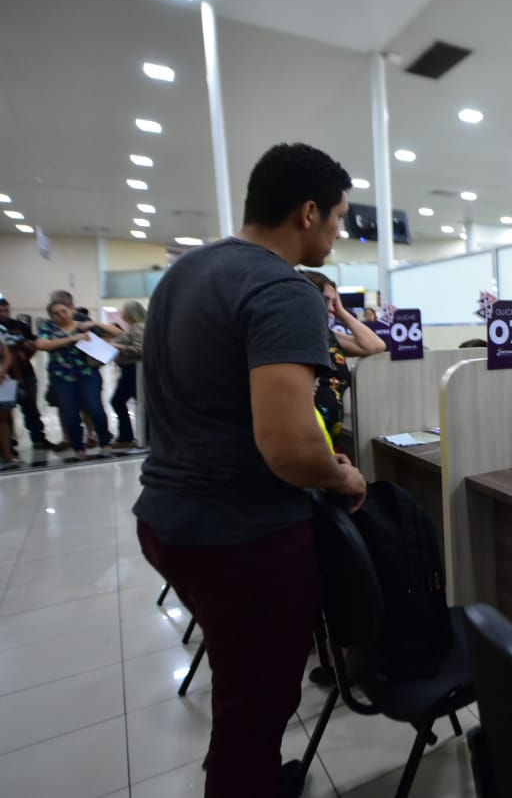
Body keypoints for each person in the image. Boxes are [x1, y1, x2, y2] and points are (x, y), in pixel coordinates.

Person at [133, 142, 367, 798]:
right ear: (309, 211)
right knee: (256, 701)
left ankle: (255, 776)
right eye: (339, 217)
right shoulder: (280, 288)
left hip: (168, 516)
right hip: (242, 535)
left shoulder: (184, 274)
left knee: (242, 687)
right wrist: (343, 477)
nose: (338, 232)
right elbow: (289, 447)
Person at [298, 270, 385, 443]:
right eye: (326, 299)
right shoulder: (289, 335)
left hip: (327, 440)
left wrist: (340, 311)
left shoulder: (328, 335)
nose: (331, 307)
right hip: (305, 441)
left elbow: (375, 346)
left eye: (334, 300)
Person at [35, 300, 117, 459]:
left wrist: (94, 323)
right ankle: (78, 447)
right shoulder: (48, 328)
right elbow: (41, 345)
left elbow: (117, 333)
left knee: (95, 408)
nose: (61, 315)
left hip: (87, 374)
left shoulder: (83, 325)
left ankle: (105, 442)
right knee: (70, 413)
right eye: (56, 313)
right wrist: (71, 339)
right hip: (62, 377)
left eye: (64, 311)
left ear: (70, 310)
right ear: (51, 316)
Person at [0, 297, 50, 451]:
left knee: (30, 408)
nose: (4, 313)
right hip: (5, 378)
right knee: (5, 413)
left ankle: (38, 439)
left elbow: (35, 343)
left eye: (6, 310)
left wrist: (29, 349)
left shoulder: (19, 326)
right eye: (0, 311)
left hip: (26, 373)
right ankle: (7, 445)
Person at [109, 301, 146, 448]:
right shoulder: (134, 327)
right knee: (142, 403)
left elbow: (140, 349)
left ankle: (126, 436)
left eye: (123, 311)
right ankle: (145, 435)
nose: (121, 313)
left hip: (133, 369)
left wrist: (117, 346)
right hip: (132, 369)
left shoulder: (137, 327)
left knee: (118, 401)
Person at [0, 338, 19, 468]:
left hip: (2, 380)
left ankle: (7, 455)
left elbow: (7, 355)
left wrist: (3, 370)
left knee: (4, 419)